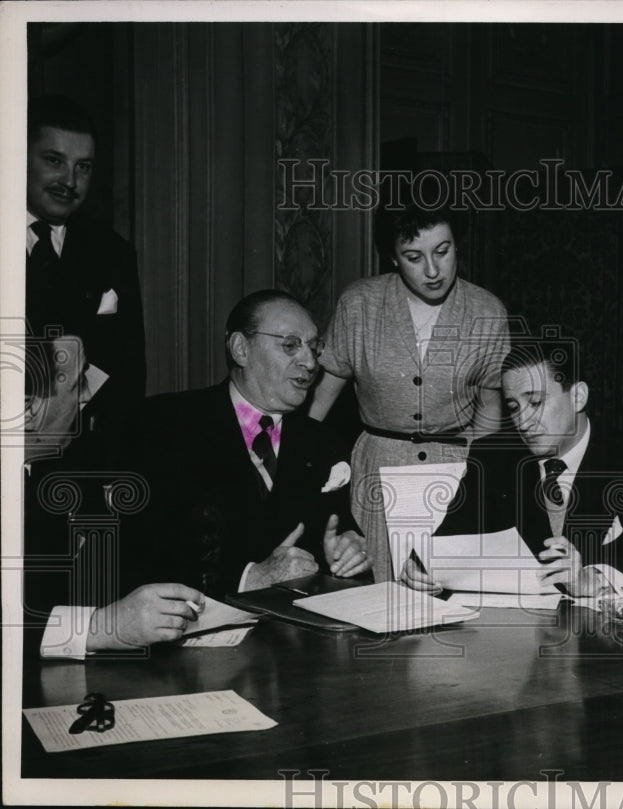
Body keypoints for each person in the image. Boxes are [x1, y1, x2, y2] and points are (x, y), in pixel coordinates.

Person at [119, 290, 369, 599]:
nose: (309, 361)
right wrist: (248, 578)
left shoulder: (323, 443)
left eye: (313, 347)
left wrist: (347, 548)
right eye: (290, 345)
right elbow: (139, 552)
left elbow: (335, 531)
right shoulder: (165, 424)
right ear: (241, 349)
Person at [308, 204, 510, 581]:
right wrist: (296, 471)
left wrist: (477, 486)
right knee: (372, 594)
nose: (432, 271)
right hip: (375, 475)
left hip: (455, 475)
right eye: (414, 257)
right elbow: (320, 400)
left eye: (443, 251)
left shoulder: (488, 311)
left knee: (447, 593)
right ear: (393, 258)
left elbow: (490, 411)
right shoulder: (360, 304)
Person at [401, 338, 623, 597]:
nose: (523, 421)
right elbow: (454, 535)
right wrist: (421, 567)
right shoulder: (493, 457)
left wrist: (593, 578)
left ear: (578, 396)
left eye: (535, 402)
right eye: (514, 407)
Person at [21, 335, 203, 658]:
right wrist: (102, 626)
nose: (89, 395)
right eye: (79, 383)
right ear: (28, 408)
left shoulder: (49, 473)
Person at [25, 95, 146, 434]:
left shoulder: (113, 253)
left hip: (82, 461)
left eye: (83, 167)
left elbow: (128, 378)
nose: (69, 181)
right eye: (54, 161)